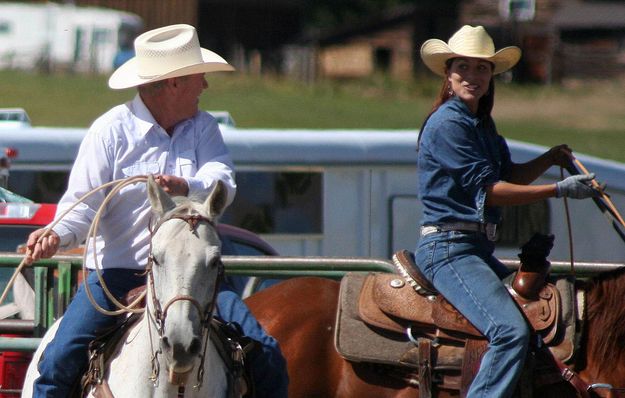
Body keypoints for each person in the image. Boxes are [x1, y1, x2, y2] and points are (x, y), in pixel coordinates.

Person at [25, 24, 288, 398]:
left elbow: (222, 181)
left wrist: (186, 187)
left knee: (267, 354)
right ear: (174, 83)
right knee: (57, 363)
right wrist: (56, 233)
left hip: (195, 275)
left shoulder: (203, 128)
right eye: (199, 77)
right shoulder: (111, 132)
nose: (205, 87)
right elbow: (83, 205)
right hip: (117, 273)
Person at [410, 25, 601, 397]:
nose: (473, 76)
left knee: (534, 324)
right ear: (448, 75)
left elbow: (508, 175)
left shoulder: (480, 123)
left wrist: (549, 158)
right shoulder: (448, 124)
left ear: (491, 76)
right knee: (510, 332)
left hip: (473, 250)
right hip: (449, 250)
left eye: (482, 68)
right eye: (463, 67)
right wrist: (557, 189)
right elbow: (490, 191)